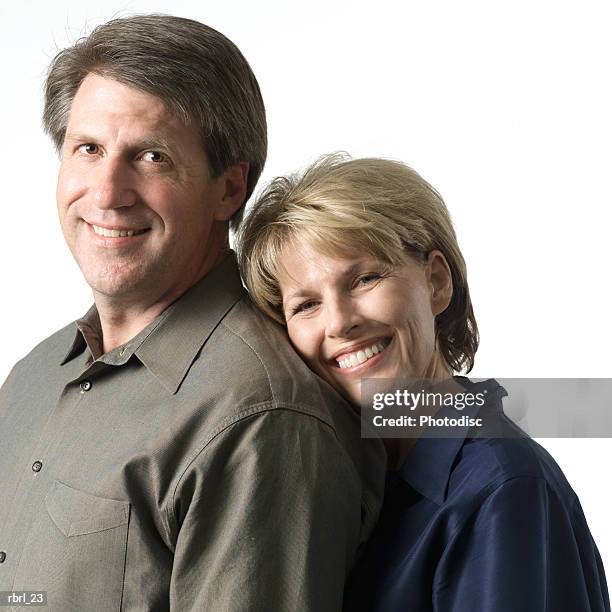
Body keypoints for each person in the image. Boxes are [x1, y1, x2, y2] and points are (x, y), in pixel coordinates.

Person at [0, 17, 386, 611]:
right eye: (88, 149)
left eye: (151, 157)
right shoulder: (35, 373)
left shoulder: (260, 417)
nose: (107, 192)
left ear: (229, 190)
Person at [237, 154, 611, 611]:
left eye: (365, 279)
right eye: (306, 305)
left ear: (435, 281)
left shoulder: (502, 489)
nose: (339, 323)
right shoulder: (357, 480)